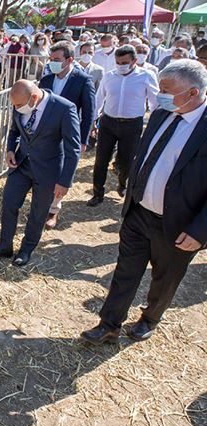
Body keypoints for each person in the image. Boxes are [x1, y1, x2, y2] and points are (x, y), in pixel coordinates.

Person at [81, 60, 207, 344]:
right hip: (138, 213)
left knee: (165, 278)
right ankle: (109, 324)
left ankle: (150, 318)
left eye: (166, 90)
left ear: (192, 94)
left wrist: (201, 231)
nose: (159, 95)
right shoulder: (164, 113)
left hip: (179, 224)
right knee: (125, 270)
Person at [0, 80, 80, 266]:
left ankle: (27, 249)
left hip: (48, 171)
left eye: (19, 105)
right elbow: (14, 130)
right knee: (9, 203)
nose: (16, 108)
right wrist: (10, 149)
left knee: (38, 212)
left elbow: (73, 149)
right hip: (21, 165)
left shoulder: (64, 108)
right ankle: (5, 245)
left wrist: (65, 181)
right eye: (14, 105)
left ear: (34, 97)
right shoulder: (19, 103)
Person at [89, 45, 159, 206]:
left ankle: (122, 184)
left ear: (134, 61)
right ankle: (98, 193)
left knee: (127, 161)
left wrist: (155, 124)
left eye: (125, 62)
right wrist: (93, 121)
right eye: (118, 62)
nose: (121, 65)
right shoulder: (109, 76)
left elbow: (155, 102)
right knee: (101, 160)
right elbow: (99, 99)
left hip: (132, 125)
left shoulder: (146, 76)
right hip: (108, 123)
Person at [39, 41, 96, 229]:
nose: (52, 63)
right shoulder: (46, 80)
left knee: (62, 172)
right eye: (51, 59)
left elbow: (88, 112)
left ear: (70, 60)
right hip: (46, 134)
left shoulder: (83, 80)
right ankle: (41, 205)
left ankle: (53, 210)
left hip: (68, 134)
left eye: (57, 59)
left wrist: (83, 139)